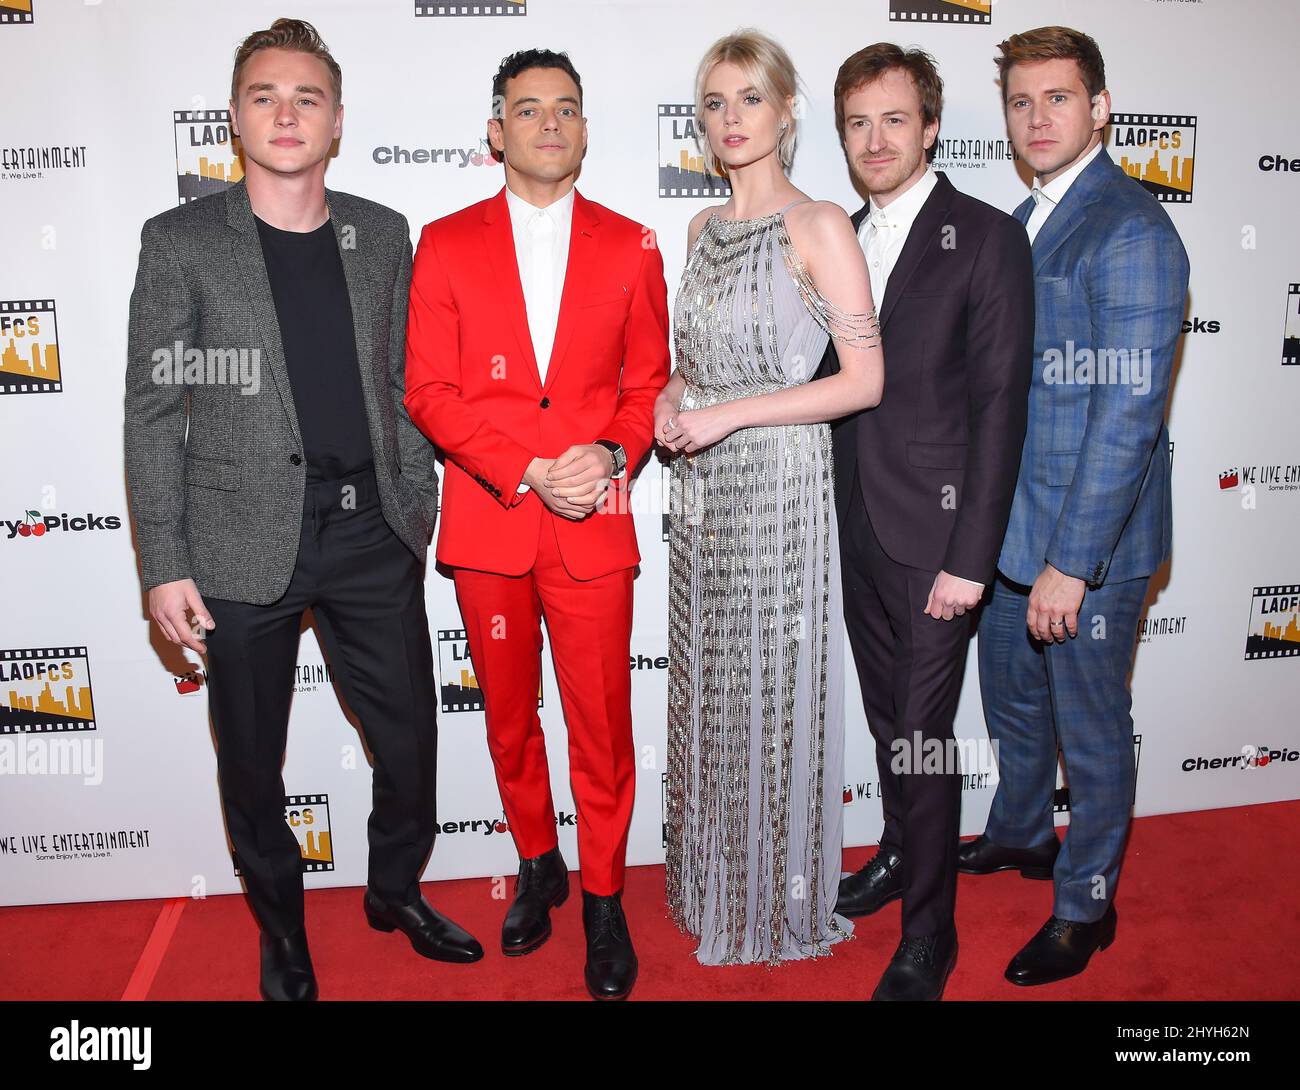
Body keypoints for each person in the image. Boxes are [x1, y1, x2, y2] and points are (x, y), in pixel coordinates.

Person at [124, 19, 482, 1002]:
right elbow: (155, 406)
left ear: (335, 121)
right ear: (235, 117)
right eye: (265, 96)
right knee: (253, 763)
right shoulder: (182, 242)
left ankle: (395, 889)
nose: (286, 114)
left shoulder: (383, 234)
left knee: (410, 736)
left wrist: (415, 505)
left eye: (307, 98)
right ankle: (281, 930)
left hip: (373, 531)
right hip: (237, 543)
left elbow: (409, 382)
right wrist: (164, 559)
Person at [404, 49, 669, 1001]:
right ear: (496, 130)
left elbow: (647, 386)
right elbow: (426, 389)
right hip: (491, 524)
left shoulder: (636, 242)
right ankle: (537, 862)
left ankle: (604, 898)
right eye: (528, 109)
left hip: (594, 522)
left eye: (566, 109)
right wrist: (522, 469)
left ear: (587, 131)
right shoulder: (443, 242)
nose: (548, 124)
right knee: (510, 722)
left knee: (601, 725)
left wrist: (606, 456)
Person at [966, 26, 1189, 986]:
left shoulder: (1129, 225)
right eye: (1021, 102)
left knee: (1091, 730)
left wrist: (1073, 562)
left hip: (1086, 545)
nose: (1037, 117)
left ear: (1099, 108)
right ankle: (1021, 831)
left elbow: (1129, 409)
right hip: (1011, 529)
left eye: (1058, 98)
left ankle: (1085, 904)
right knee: (1013, 703)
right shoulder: (1025, 216)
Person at [660, 28, 884, 966]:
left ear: (787, 111)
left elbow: (864, 379)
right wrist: (676, 396)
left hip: (780, 487)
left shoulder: (821, 224)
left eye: (749, 99)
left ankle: (771, 899)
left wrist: (730, 417)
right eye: (714, 104)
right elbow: (688, 367)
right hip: (702, 490)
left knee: (766, 687)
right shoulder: (700, 228)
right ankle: (711, 881)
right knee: (709, 685)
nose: (731, 121)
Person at [818, 44, 1033, 1001]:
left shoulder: (984, 236)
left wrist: (972, 559)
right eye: (858, 122)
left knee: (922, 732)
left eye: (894, 119)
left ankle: (931, 936)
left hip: (941, 540)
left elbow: (1000, 407)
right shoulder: (838, 232)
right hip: (858, 520)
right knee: (885, 717)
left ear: (933, 125)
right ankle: (903, 852)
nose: (875, 139)